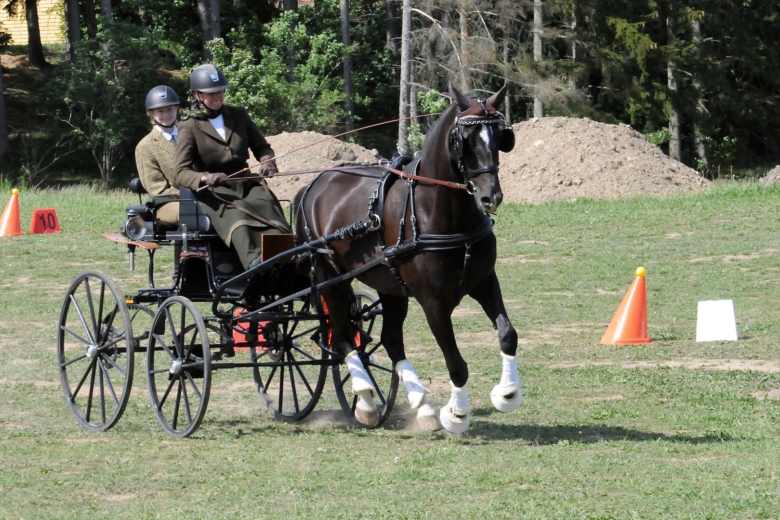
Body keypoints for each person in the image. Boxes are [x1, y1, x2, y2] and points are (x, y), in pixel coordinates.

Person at [174, 64, 290, 270]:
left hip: (244, 181)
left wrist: (267, 161)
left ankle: (287, 255)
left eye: (220, 91)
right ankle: (254, 262)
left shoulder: (239, 114)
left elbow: (261, 146)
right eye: (212, 93)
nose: (218, 96)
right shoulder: (189, 126)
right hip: (214, 190)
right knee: (239, 212)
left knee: (266, 203)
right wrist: (205, 178)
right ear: (198, 95)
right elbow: (180, 173)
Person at [135, 85, 181, 224]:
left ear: (177, 109)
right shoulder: (145, 147)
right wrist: (191, 194)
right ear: (151, 113)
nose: (166, 115)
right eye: (160, 111)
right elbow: (157, 188)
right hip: (166, 202)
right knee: (193, 212)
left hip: (202, 196)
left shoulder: (191, 135)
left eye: (169, 109)